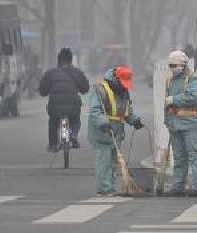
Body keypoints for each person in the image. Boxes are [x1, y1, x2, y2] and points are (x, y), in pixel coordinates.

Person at [88, 66, 144, 196]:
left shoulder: (123, 90)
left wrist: (135, 120)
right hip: (102, 130)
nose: (125, 86)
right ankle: (104, 188)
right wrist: (103, 123)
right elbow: (94, 111)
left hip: (117, 130)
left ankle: (110, 187)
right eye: (123, 83)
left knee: (113, 160)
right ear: (116, 79)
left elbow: (127, 111)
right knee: (104, 159)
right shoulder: (100, 89)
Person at [164, 50, 197, 197]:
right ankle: (178, 186)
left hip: (190, 124)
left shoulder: (194, 79)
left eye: (174, 65)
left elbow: (193, 97)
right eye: (170, 65)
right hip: (175, 125)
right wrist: (167, 121)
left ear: (183, 64)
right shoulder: (170, 79)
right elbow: (166, 105)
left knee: (194, 155)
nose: (172, 68)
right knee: (179, 157)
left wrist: (174, 99)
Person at [40, 48, 90, 152]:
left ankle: (53, 144)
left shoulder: (50, 73)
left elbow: (43, 90)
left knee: (53, 122)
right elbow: (85, 89)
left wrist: (45, 92)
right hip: (73, 106)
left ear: (59, 59)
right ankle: (73, 135)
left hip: (55, 107)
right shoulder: (77, 72)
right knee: (75, 120)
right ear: (71, 59)